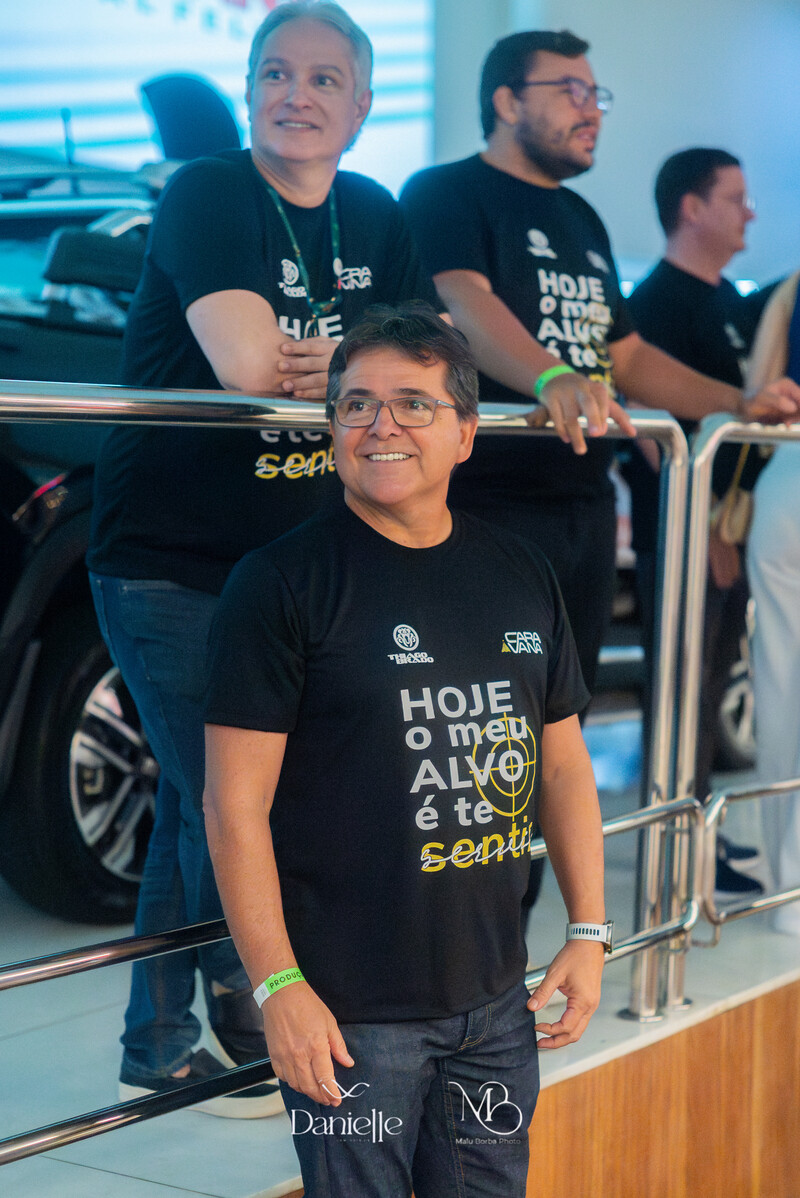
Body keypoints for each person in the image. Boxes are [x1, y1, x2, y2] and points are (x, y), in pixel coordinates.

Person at [86, 1, 439, 1116]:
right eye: (275, 73)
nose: (296, 94)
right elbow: (246, 362)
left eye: (324, 79)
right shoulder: (208, 191)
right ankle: (255, 1010)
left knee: (204, 800)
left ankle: (159, 1040)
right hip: (168, 559)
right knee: (233, 799)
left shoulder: (373, 210)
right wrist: (359, 362)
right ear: (247, 93)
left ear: (362, 104)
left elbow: (427, 362)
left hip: (287, 563)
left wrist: (326, 361)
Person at [203, 304, 609, 1198]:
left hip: (497, 1006)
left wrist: (588, 929)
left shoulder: (520, 570)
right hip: (350, 1021)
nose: (381, 425)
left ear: (466, 432)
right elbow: (232, 809)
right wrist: (277, 988)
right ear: (333, 429)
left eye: (414, 404)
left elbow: (562, 765)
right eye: (356, 404)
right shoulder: (278, 585)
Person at [399, 30, 800, 918]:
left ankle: (507, 943)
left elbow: (628, 357)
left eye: (596, 95)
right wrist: (550, 375)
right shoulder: (446, 191)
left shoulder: (580, 220)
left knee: (553, 738)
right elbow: (463, 301)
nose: (592, 110)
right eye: (571, 91)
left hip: (580, 508)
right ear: (508, 101)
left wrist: (741, 401)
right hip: (487, 508)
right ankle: (452, 947)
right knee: (475, 746)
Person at [628, 148, 773, 895]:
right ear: (692, 208)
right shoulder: (655, 303)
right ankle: (672, 852)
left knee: (711, 686)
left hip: (731, 532)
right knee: (681, 690)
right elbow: (653, 433)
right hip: (684, 536)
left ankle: (696, 840)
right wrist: (702, 528)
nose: (751, 212)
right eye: (735, 197)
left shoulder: (734, 306)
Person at [745, 270, 800, 933]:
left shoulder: (790, 286)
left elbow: (759, 385)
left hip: (785, 473)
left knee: (781, 684)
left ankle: (789, 893)